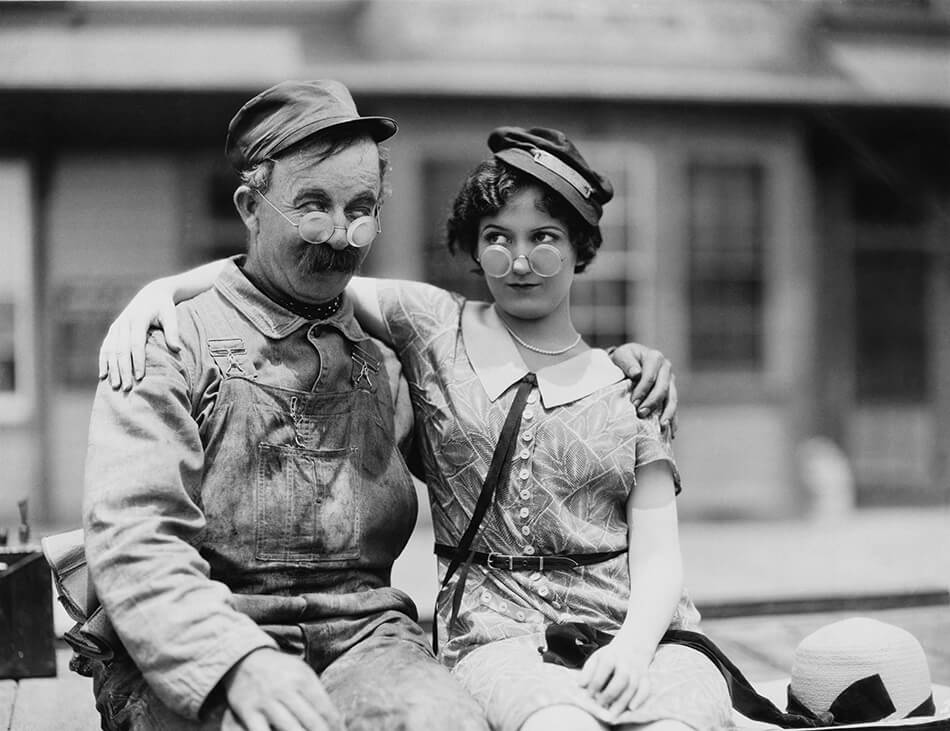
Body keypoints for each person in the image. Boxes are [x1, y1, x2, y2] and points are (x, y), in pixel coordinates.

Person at [100, 125, 728, 731]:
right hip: (496, 630)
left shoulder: (629, 387)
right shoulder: (432, 326)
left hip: (631, 627)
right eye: (496, 238)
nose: (520, 260)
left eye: (546, 237)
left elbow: (659, 556)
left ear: (579, 248)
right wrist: (159, 290)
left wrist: (636, 646)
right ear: (474, 245)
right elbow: (296, 272)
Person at [83, 79, 494, 731]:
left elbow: (513, 404)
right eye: (313, 205)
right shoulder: (166, 343)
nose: (341, 234)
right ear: (250, 205)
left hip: (366, 639)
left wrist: (619, 375)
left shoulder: (391, 353)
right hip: (198, 639)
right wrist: (234, 661)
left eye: (361, 207)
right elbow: (135, 536)